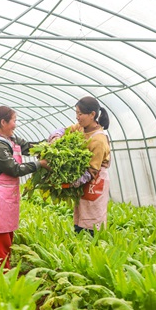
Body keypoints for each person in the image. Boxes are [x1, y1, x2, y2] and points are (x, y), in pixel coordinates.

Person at [0, 106, 49, 270]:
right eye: (14, 121)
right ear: (3, 122)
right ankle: (2, 278)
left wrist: (50, 143)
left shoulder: (10, 139)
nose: (16, 125)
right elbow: (14, 169)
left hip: (4, 196)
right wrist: (39, 164)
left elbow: (29, 147)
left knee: (6, 237)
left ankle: (4, 272)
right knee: (1, 240)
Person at [49, 96, 111, 235]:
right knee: (80, 219)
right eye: (76, 113)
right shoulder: (81, 128)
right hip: (83, 183)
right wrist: (56, 139)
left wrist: (69, 184)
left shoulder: (98, 139)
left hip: (95, 182)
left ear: (92, 115)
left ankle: (92, 250)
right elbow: (61, 130)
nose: (77, 117)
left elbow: (91, 172)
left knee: (92, 221)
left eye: (80, 114)